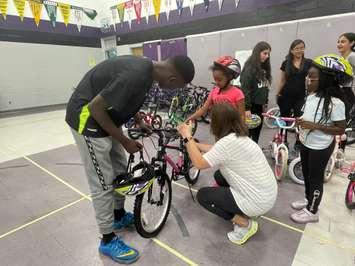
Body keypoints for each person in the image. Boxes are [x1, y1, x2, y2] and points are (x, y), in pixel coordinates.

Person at [65, 55, 195, 264]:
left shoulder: (149, 73)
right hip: (87, 117)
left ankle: (117, 216)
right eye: (177, 87)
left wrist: (139, 121)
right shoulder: (135, 74)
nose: (173, 91)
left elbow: (130, 99)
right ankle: (107, 239)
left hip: (107, 118)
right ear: (172, 79)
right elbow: (95, 108)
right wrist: (124, 140)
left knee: (120, 172)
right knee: (103, 183)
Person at [177, 102, 277, 245]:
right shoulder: (238, 137)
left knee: (204, 196)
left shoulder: (227, 143)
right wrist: (194, 144)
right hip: (266, 194)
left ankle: (245, 224)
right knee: (219, 175)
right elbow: (214, 148)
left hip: (257, 201)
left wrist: (187, 137)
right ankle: (242, 209)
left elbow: (199, 163)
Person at [290, 54, 352, 224]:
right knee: (307, 174)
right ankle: (308, 199)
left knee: (316, 178)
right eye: (308, 76)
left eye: (312, 77)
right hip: (306, 142)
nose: (308, 80)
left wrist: (314, 126)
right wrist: (301, 121)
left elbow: (339, 129)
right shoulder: (312, 96)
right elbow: (310, 118)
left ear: (325, 79)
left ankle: (313, 211)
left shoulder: (335, 103)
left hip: (321, 147)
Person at [276, 39, 312, 149]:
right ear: (292, 50)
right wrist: (278, 94)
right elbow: (282, 80)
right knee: (284, 119)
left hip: (300, 96)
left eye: (302, 48)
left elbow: (311, 78)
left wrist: (311, 91)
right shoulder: (286, 63)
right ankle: (283, 140)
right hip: (285, 95)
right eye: (297, 48)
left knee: (299, 120)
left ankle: (298, 141)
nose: (299, 50)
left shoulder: (308, 62)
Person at [186, 56, 245, 123]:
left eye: (219, 80)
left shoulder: (238, 94)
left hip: (232, 130)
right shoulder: (214, 91)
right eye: (215, 79)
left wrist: (241, 131)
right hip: (218, 129)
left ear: (230, 77)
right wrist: (190, 118)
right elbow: (203, 109)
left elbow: (242, 116)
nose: (216, 82)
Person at [240, 41, 272, 143]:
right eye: (265, 53)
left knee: (257, 132)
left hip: (260, 106)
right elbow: (245, 89)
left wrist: (265, 103)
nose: (267, 56)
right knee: (248, 134)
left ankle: (254, 151)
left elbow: (264, 88)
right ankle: (246, 154)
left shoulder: (264, 68)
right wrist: (247, 108)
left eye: (268, 54)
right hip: (251, 107)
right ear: (257, 52)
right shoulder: (249, 68)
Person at [337, 32, 355, 116]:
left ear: (352, 43)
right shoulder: (341, 58)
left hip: (351, 91)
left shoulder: (352, 56)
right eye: (338, 41)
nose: (339, 44)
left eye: (343, 42)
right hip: (344, 91)